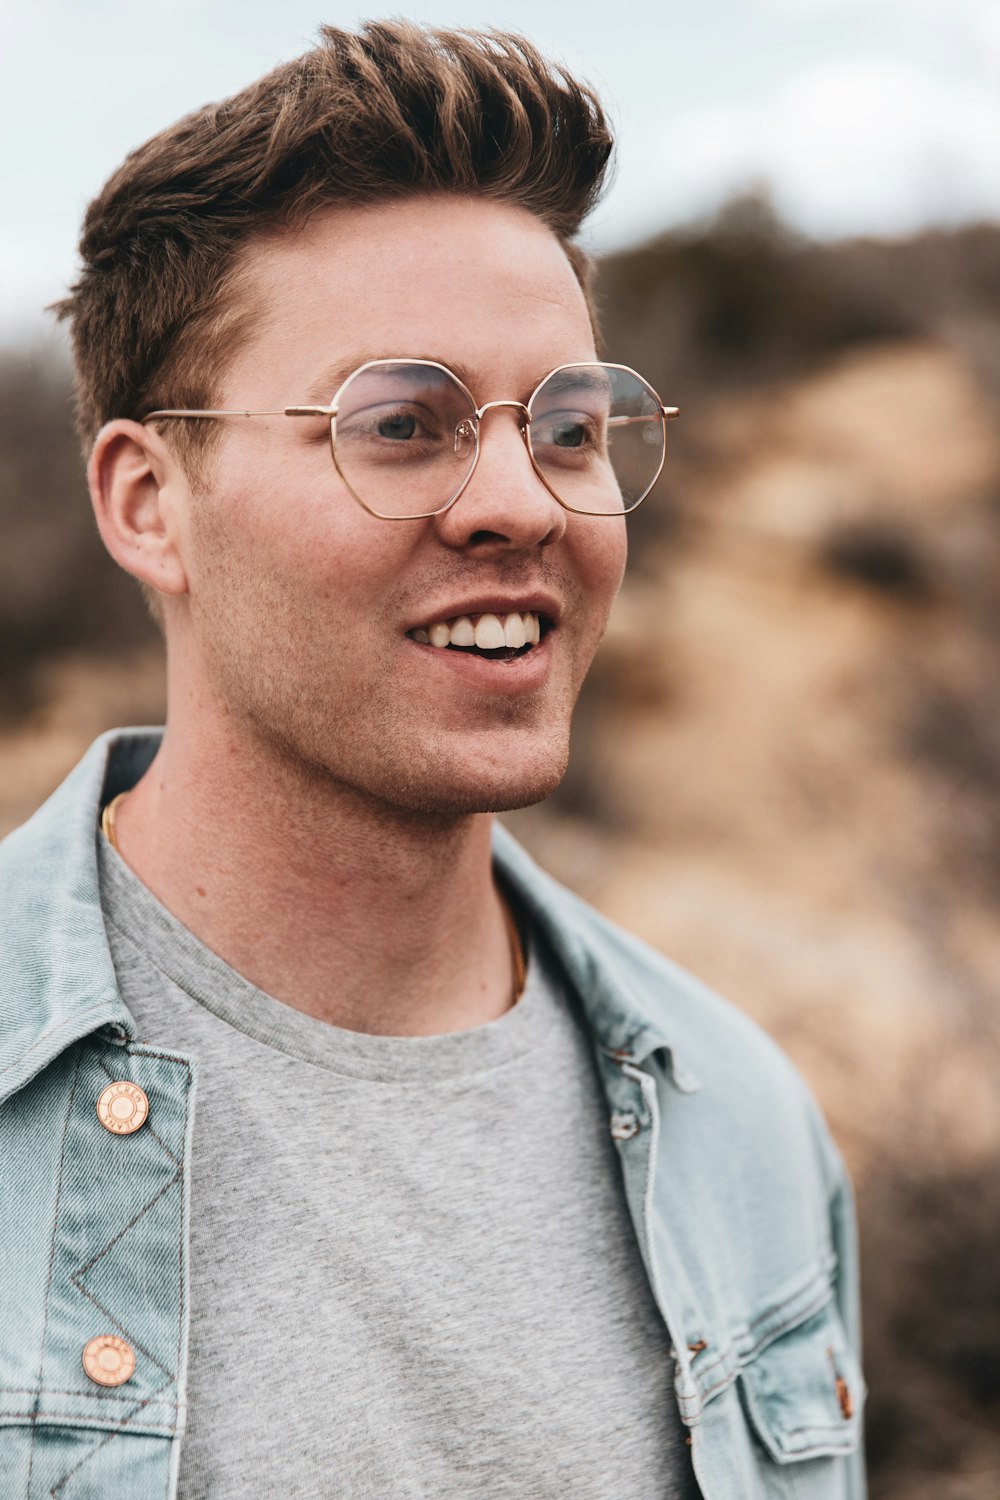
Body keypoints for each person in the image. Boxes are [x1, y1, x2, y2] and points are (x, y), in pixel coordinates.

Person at [0, 21, 865, 1500]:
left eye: (574, 427)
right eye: (401, 424)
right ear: (150, 502)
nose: (522, 502)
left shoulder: (749, 1127)